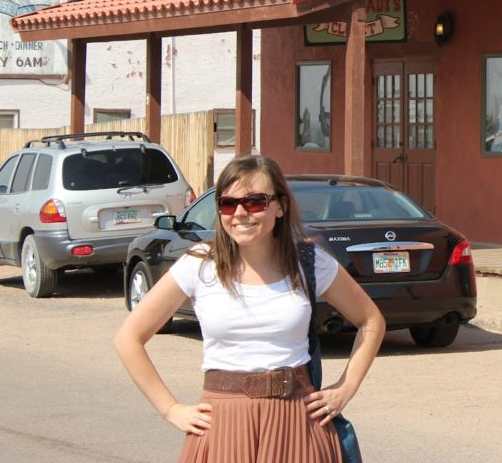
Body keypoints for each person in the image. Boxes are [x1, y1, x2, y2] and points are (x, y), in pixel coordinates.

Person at [114, 155, 385, 462]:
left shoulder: (309, 262)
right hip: (223, 422)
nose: (240, 213)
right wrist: (170, 408)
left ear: (280, 206)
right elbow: (128, 338)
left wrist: (346, 387)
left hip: (296, 420)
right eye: (228, 203)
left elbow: (371, 320)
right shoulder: (200, 264)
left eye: (255, 202)